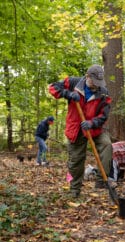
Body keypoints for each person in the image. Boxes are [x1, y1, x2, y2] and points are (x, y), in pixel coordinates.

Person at [49, 64, 113, 197]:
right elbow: (53, 87)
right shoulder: (73, 83)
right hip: (76, 129)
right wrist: (68, 94)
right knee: (76, 160)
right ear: (87, 76)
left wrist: (92, 123)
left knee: (107, 145)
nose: (96, 85)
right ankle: (74, 190)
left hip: (95, 128)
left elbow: (104, 115)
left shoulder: (103, 92)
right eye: (94, 82)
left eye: (98, 83)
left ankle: (102, 181)